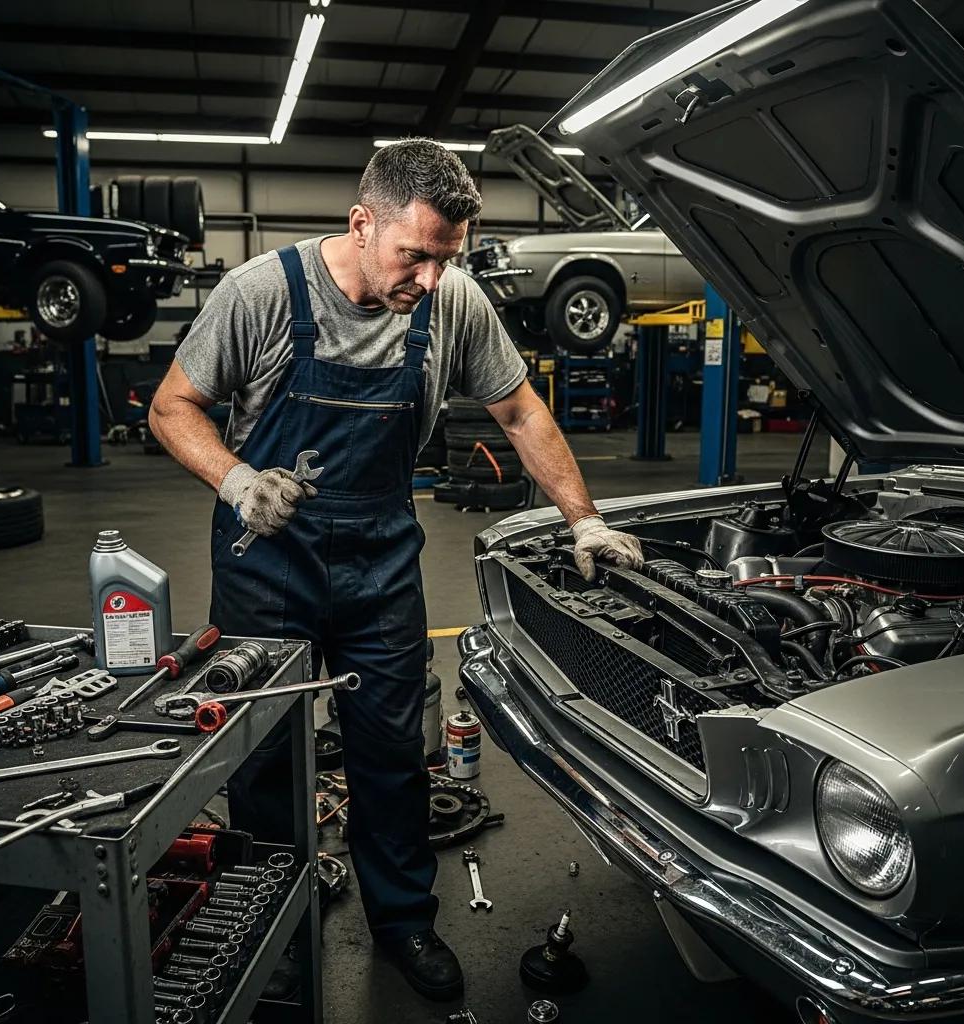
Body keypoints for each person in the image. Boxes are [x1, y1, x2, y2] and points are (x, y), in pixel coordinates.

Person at [149, 138, 643, 1001]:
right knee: (265, 761)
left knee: (390, 750)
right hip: (270, 562)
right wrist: (234, 481)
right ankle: (278, 928)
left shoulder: (453, 304)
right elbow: (171, 405)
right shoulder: (262, 292)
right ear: (361, 223)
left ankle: (405, 921)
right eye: (414, 255)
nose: (429, 278)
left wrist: (586, 518)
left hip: (381, 560)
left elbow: (520, 409)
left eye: (445, 258)